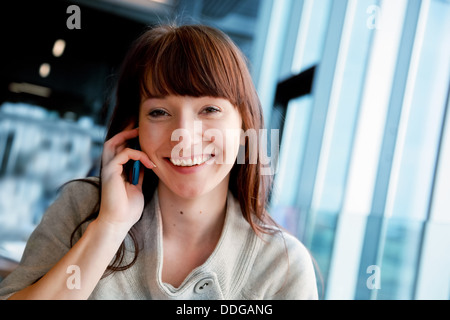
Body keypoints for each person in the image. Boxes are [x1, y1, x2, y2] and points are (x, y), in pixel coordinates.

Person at [0, 24, 318, 300]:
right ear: (133, 129)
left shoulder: (282, 265)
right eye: (159, 112)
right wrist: (109, 227)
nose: (184, 136)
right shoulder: (84, 207)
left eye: (209, 109)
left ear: (243, 125)